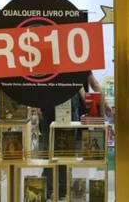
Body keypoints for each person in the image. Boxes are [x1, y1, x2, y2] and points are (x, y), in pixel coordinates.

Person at [39, 71, 112, 200]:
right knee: (67, 152)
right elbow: (93, 84)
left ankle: (48, 191)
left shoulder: (50, 60)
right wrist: (103, 104)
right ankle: (64, 190)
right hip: (69, 111)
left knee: (48, 153)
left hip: (49, 109)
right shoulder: (80, 61)